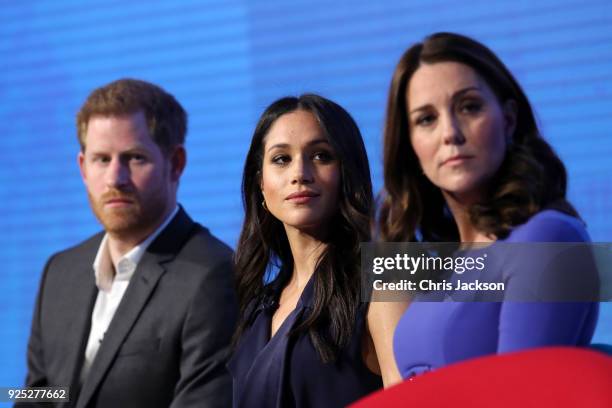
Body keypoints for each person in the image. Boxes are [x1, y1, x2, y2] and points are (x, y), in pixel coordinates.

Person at [378, 32, 599, 379]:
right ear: (410, 145)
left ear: (508, 119)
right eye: (426, 119)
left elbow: (520, 393)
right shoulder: (438, 261)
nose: (450, 133)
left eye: (469, 107)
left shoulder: (547, 237)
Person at [22, 78, 237, 407]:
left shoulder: (213, 274)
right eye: (101, 159)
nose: (115, 179)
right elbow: (37, 397)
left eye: (135, 158)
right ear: (82, 167)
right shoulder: (59, 271)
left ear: (176, 164)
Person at [228, 94, 405, 407]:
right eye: (281, 159)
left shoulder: (388, 272)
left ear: (347, 172)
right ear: (261, 185)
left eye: (322, 156)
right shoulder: (256, 307)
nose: (300, 173)